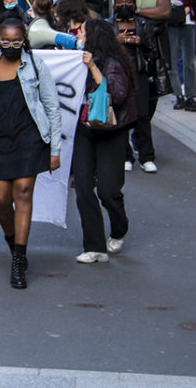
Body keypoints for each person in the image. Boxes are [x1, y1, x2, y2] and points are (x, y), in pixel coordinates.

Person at [0, 18, 61, 289]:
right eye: (5, 41)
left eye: (17, 41)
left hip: (29, 137)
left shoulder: (35, 65)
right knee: (1, 199)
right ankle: (13, 242)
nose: (11, 46)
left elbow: (51, 106)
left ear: (25, 40)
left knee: (23, 192)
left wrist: (54, 149)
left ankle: (18, 260)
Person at [72, 19, 137, 264]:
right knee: (84, 188)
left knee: (109, 190)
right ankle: (94, 246)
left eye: (83, 31)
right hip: (85, 130)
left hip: (110, 131)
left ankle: (119, 227)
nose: (79, 33)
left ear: (94, 36)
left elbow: (117, 96)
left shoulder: (112, 64)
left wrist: (92, 69)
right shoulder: (79, 57)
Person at [109, 0, 170, 174]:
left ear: (135, 5)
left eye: (128, 2)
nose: (124, 6)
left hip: (140, 75)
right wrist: (116, 40)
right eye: (120, 2)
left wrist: (140, 42)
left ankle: (147, 157)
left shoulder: (143, 24)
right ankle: (126, 156)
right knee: (121, 117)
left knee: (143, 115)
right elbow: (100, 50)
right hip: (118, 76)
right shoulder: (108, 25)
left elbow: (153, 50)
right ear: (114, 4)